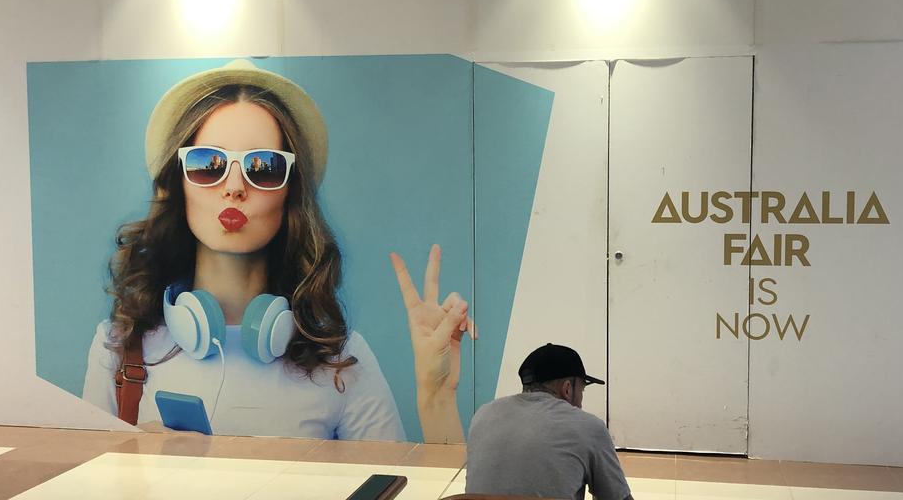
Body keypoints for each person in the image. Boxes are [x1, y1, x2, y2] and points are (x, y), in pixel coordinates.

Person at [81, 59, 474, 442]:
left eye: (263, 167)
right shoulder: (117, 349)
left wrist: (437, 399)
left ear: (290, 194)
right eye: (208, 164)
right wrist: (127, 462)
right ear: (178, 184)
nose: (234, 187)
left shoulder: (342, 360)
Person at [466, 344, 632, 500]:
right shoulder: (588, 427)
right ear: (567, 388)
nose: (581, 402)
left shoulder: (483, 415)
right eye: (582, 390)